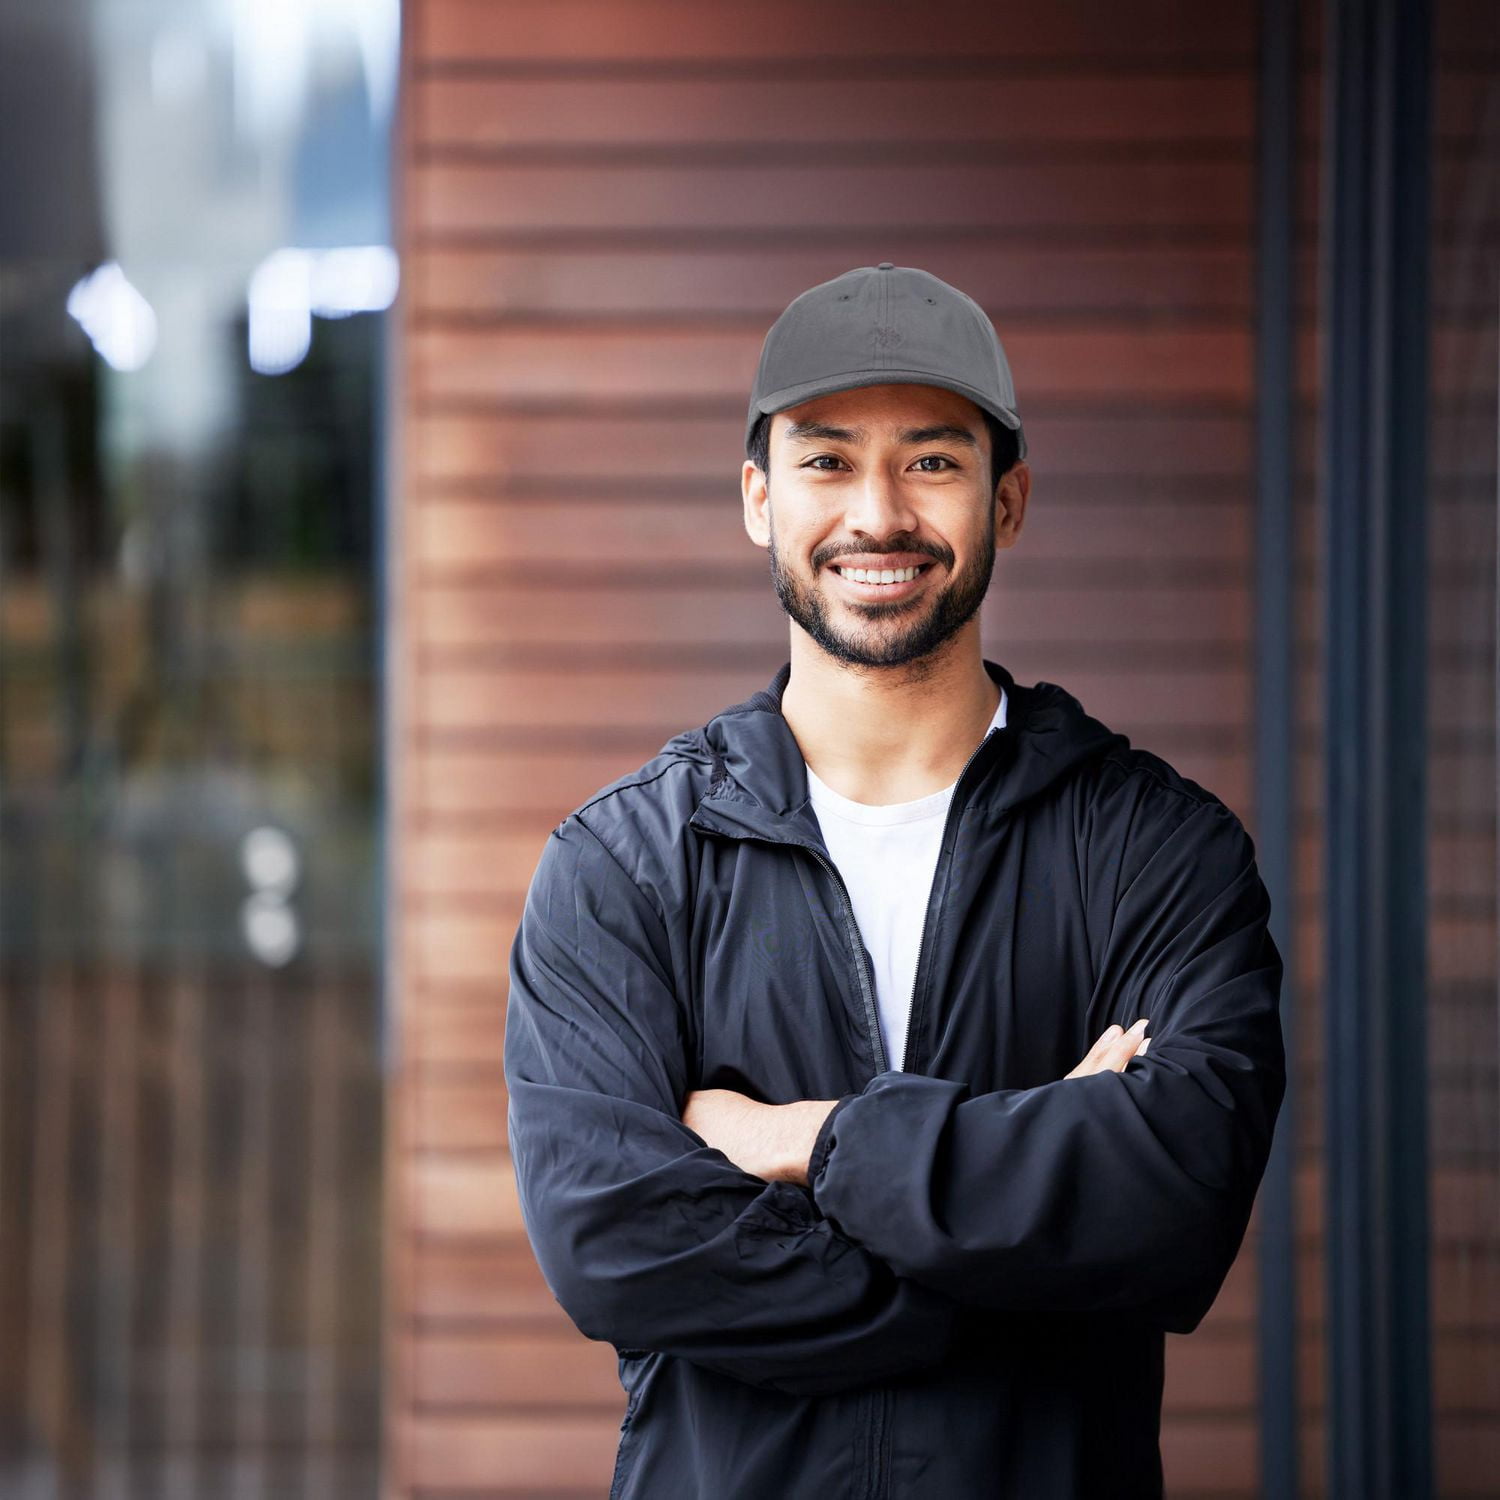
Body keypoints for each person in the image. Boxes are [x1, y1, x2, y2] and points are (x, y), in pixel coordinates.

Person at [504, 263, 1287, 1499]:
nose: (879, 513)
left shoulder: (1157, 853)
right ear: (758, 498)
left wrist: (806, 1143)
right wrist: (1026, 1225)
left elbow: (1174, 1202)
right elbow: (613, 1249)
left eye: (931, 461)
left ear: (1008, 499)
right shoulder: (625, 867)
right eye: (826, 461)